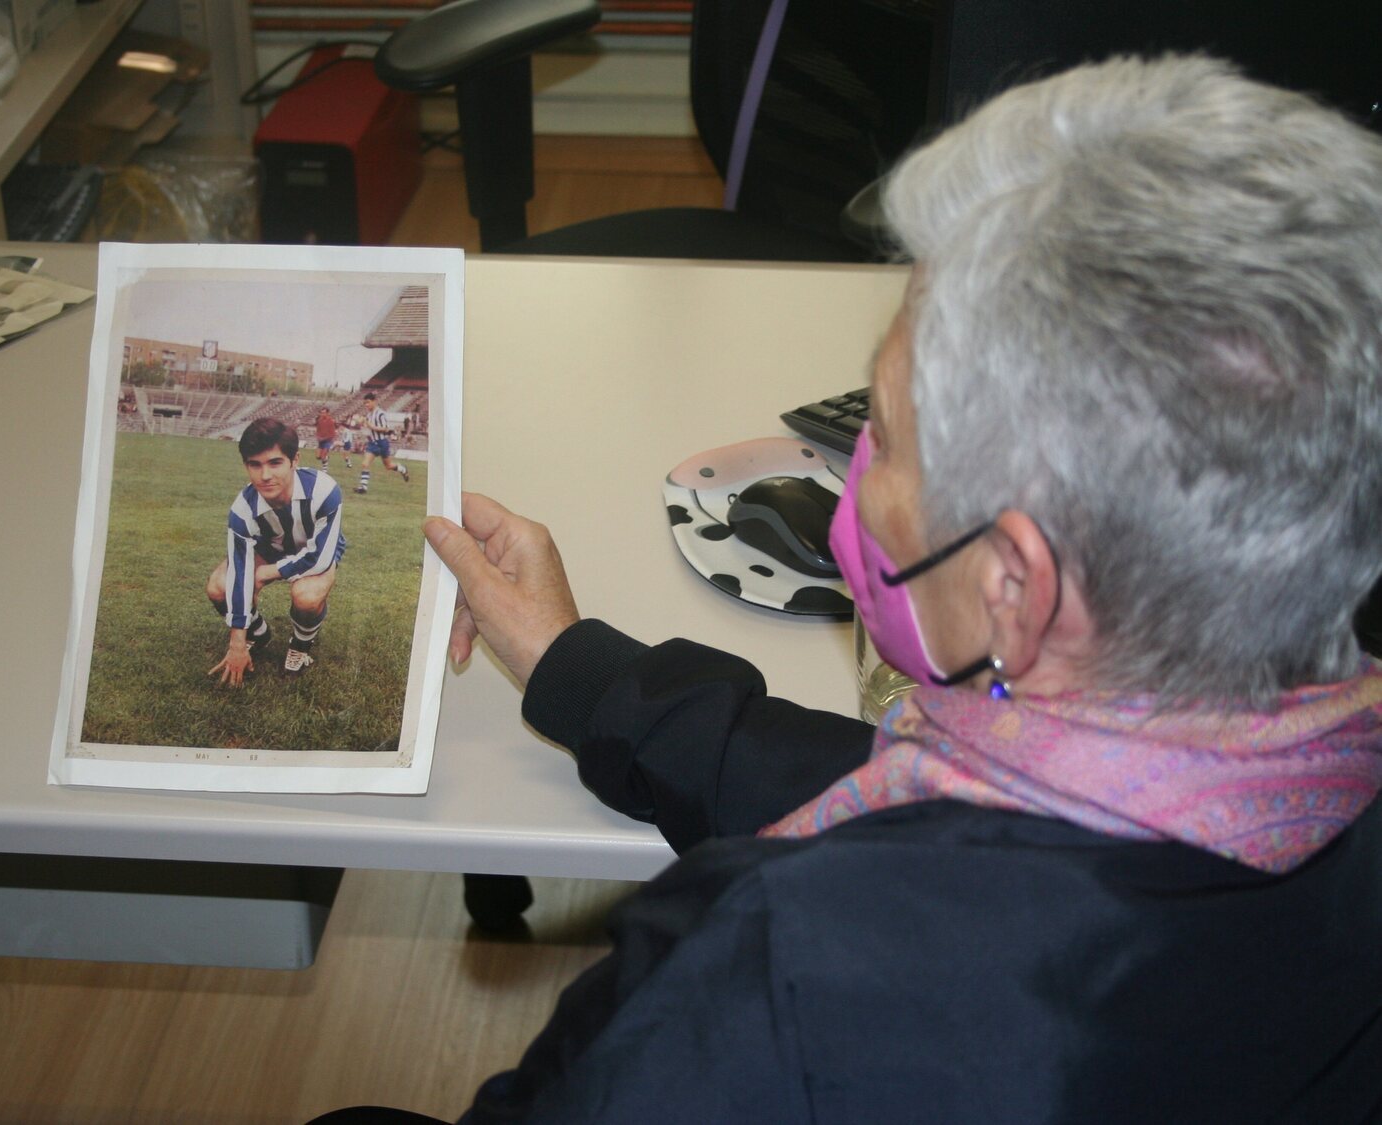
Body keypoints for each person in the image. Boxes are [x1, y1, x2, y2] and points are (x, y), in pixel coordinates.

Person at [375, 56, 1382, 1123]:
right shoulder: (1261, 784)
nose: (852, 477)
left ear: (1016, 590)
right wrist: (576, 667)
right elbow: (890, 793)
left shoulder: (779, 979)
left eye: (886, 438)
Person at [206, 417, 345, 681]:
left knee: (306, 595)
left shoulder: (325, 491)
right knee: (218, 586)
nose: (265, 475)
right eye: (255, 465)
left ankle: (301, 645)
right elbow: (240, 570)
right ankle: (258, 634)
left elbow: (319, 557)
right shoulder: (242, 509)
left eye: (275, 463)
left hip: (314, 552)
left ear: (295, 460)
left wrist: (268, 572)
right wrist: (237, 640)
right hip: (269, 550)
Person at [354, 391, 409, 493]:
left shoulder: (380, 413)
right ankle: (363, 488)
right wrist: (360, 421)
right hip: (372, 443)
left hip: (382, 443)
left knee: (388, 466)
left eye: (368, 402)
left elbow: (385, 429)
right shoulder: (369, 414)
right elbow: (367, 425)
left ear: (374, 401)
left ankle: (402, 469)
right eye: (365, 403)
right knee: (365, 464)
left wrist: (370, 426)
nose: (366, 405)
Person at [314, 405, 338, 471]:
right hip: (321, 440)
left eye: (324, 413)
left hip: (328, 440)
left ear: (328, 413)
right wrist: (318, 437)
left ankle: (324, 469)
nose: (322, 414)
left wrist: (324, 438)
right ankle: (326, 457)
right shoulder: (319, 420)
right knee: (318, 456)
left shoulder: (331, 421)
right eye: (321, 413)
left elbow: (332, 433)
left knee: (323, 455)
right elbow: (318, 430)